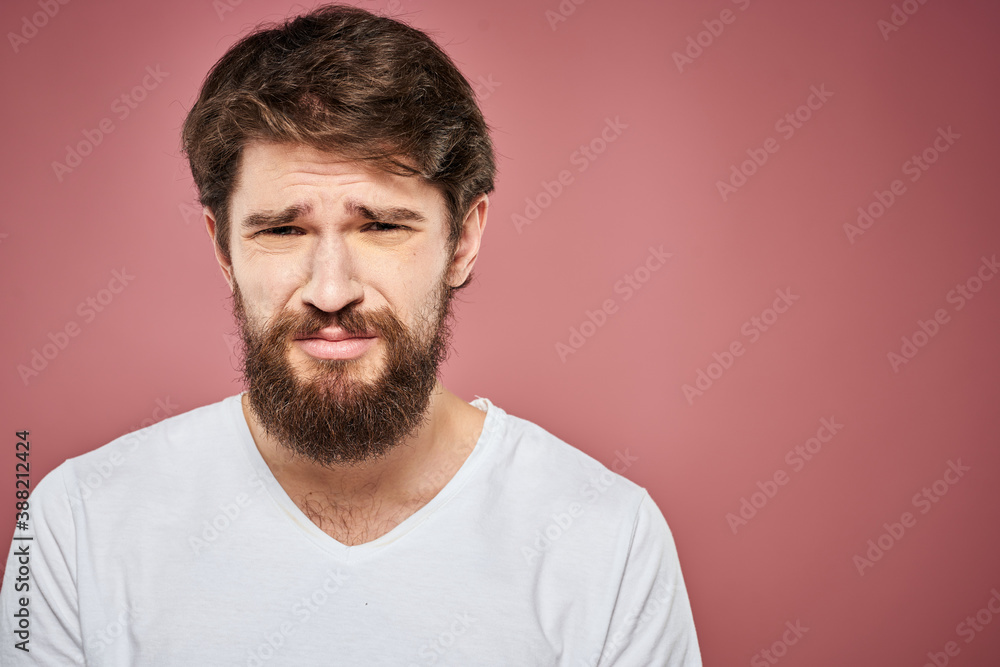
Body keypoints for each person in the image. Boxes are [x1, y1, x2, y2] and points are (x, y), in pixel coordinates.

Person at [0, 4, 701, 665]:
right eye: (282, 229)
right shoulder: (73, 530)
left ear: (463, 241)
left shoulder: (608, 541)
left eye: (382, 226)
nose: (331, 291)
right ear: (223, 250)